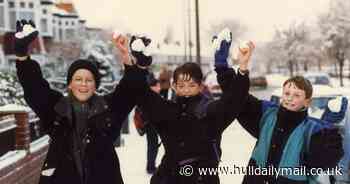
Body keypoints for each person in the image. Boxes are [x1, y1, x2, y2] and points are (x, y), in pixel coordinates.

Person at [14, 20, 145, 184]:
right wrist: (22, 55)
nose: (83, 84)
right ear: (70, 84)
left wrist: (127, 56)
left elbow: (130, 90)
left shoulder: (108, 108)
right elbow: (34, 88)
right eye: (78, 79)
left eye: (89, 80)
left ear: (95, 85)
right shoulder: (56, 107)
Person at [132, 28, 254, 184]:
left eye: (191, 85)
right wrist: (140, 66)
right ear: (174, 86)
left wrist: (242, 69)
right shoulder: (167, 110)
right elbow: (142, 95)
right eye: (181, 85)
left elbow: (234, 101)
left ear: (200, 86)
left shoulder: (208, 111)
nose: (186, 90)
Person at [237, 72, 344, 182]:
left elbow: (322, 164)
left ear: (307, 102)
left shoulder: (312, 130)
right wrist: (239, 69)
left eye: (297, 95)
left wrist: (328, 131)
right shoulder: (267, 114)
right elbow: (238, 98)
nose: (289, 98)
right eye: (287, 93)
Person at [133, 73, 161, 174]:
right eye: (157, 86)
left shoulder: (151, 96)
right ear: (152, 87)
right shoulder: (149, 97)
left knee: (153, 146)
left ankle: (151, 165)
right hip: (150, 125)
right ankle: (150, 167)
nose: (159, 87)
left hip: (151, 124)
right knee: (152, 146)